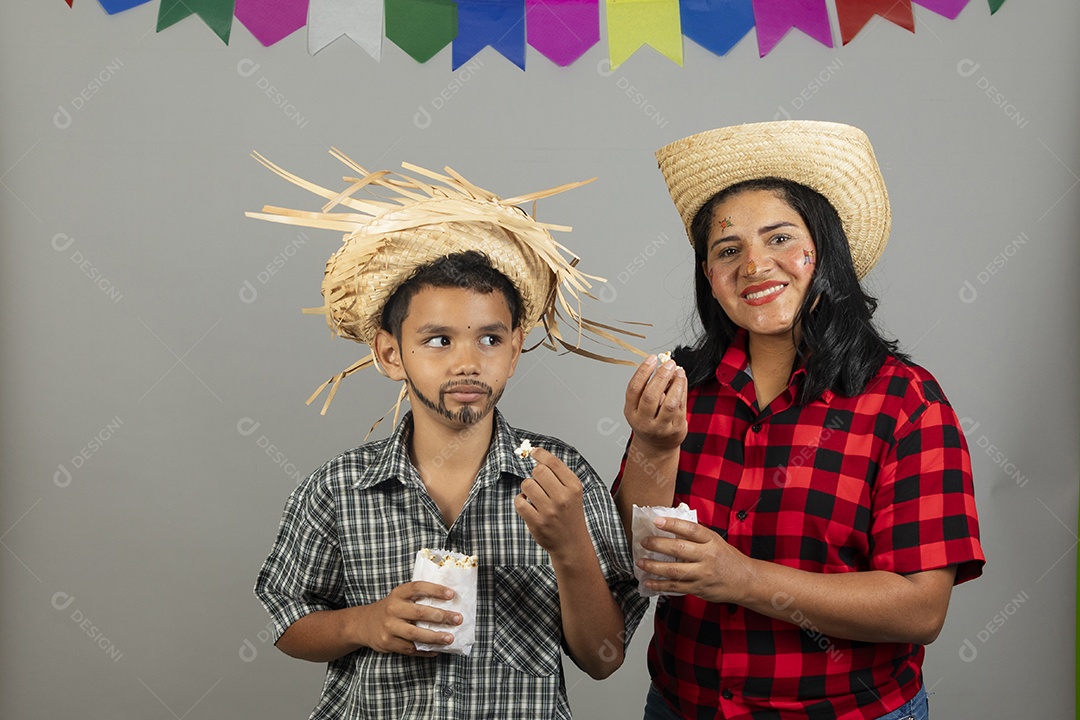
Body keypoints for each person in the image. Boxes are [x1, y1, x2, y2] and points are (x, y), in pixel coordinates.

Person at [248, 156, 649, 719]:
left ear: (514, 351)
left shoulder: (562, 477)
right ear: (391, 354)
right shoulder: (339, 488)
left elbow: (603, 658)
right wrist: (363, 622)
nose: (467, 362)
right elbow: (288, 621)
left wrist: (569, 547)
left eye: (489, 339)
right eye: (437, 340)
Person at [613, 121, 985, 720]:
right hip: (682, 706)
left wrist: (742, 578)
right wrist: (654, 448)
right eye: (727, 249)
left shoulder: (906, 402)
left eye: (780, 238)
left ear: (825, 252)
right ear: (709, 275)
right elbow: (637, 562)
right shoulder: (683, 386)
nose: (755, 266)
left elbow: (920, 609)